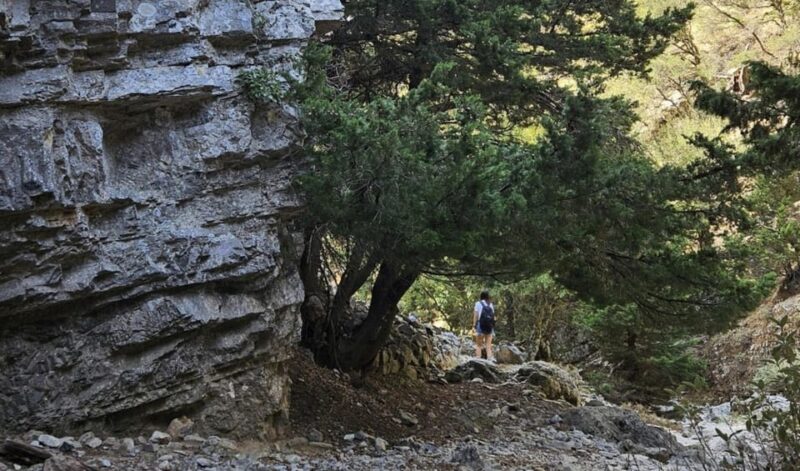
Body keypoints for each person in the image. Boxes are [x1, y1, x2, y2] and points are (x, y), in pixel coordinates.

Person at [473, 290, 496, 362]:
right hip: (489, 326)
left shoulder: (478, 303)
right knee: (488, 346)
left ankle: (478, 359)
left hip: (480, 325)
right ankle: (490, 360)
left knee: (479, 345)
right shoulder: (490, 304)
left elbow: (476, 315)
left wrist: (474, 325)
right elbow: (493, 317)